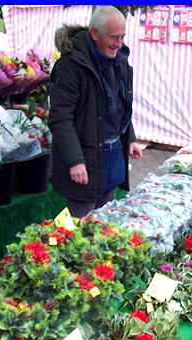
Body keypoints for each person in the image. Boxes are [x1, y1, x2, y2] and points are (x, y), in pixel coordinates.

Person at [49, 6, 142, 218]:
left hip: (113, 156)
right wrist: (75, 161)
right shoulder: (69, 66)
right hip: (86, 157)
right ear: (94, 34)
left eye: (122, 37)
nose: (119, 44)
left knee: (104, 222)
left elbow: (120, 106)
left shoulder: (119, 61)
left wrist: (131, 138)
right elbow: (60, 119)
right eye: (114, 38)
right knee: (83, 227)